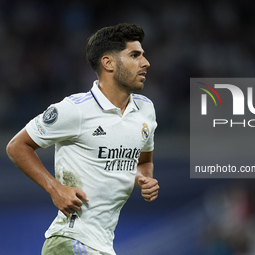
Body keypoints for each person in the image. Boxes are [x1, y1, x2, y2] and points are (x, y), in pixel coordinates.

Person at [6, 23, 159, 255]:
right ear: (108, 63)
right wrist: (55, 188)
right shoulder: (75, 110)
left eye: (143, 55)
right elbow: (17, 146)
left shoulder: (146, 110)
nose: (145, 62)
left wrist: (143, 179)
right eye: (135, 55)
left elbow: (143, 162)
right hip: (70, 241)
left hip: (103, 246)